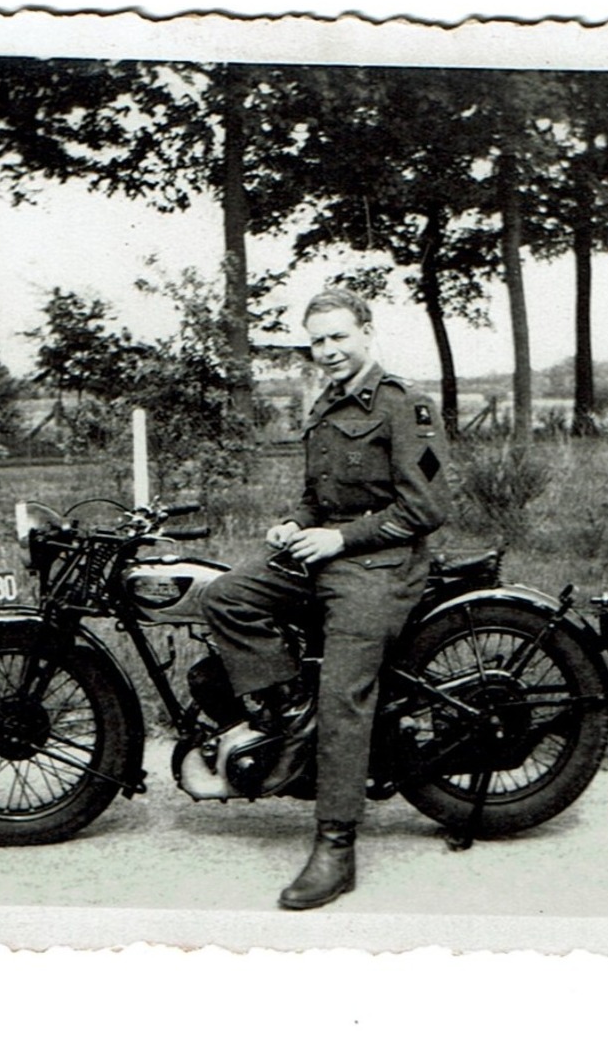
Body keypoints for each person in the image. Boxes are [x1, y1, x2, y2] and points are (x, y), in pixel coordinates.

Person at [200, 286, 451, 910]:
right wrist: (294, 522)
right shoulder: (326, 404)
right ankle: (291, 715)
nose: (328, 350)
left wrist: (339, 538)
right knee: (226, 596)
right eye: (317, 341)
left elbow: (426, 507)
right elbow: (318, 495)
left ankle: (336, 846)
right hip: (324, 554)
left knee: (344, 693)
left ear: (366, 331)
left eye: (338, 336)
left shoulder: (403, 403)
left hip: (381, 564)